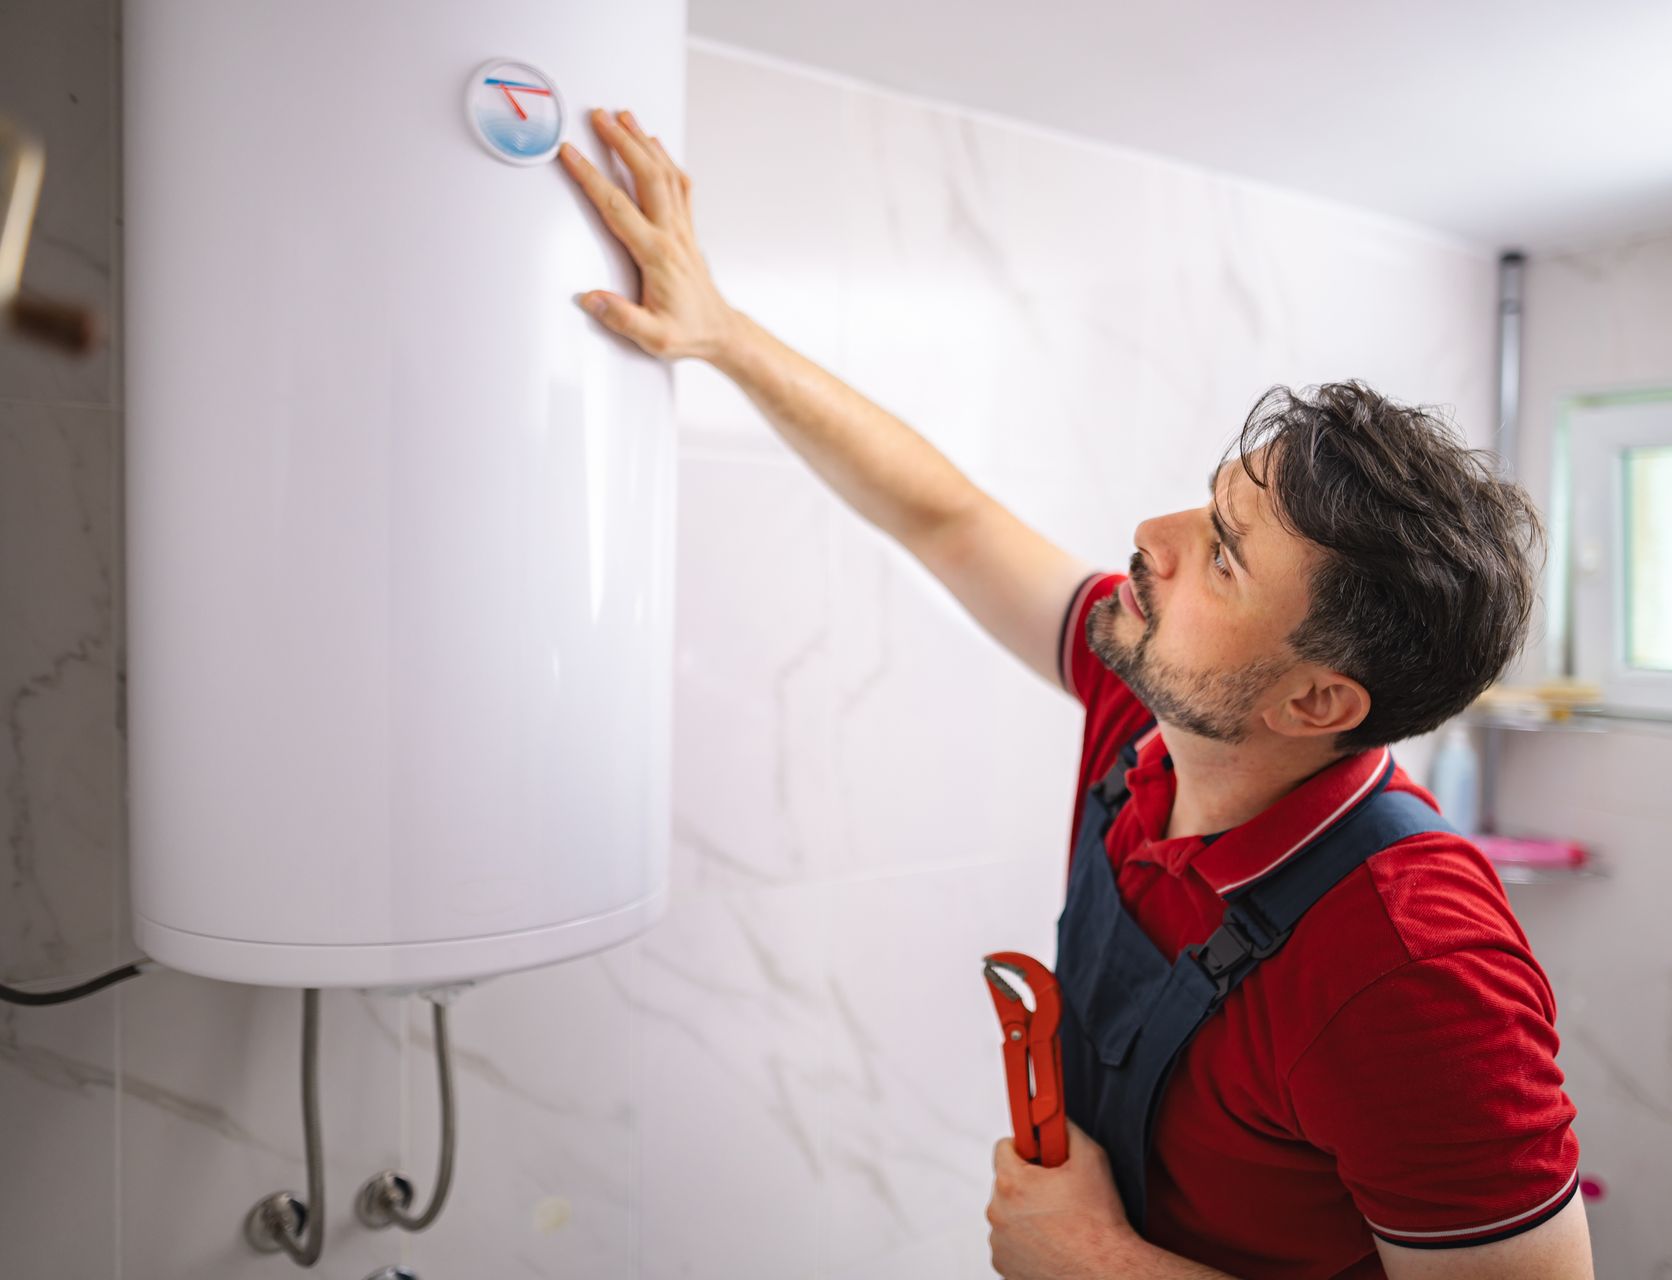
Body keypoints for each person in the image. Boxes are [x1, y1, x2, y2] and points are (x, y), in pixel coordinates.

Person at [558, 108, 1594, 1280]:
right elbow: (945, 516)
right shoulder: (1150, 712)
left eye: (1224, 556)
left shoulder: (1415, 964)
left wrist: (1098, 1261)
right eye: (1208, 506)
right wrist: (722, 335)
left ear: (1317, 702)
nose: (1151, 536)